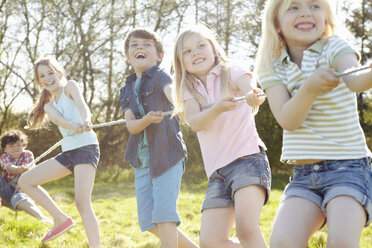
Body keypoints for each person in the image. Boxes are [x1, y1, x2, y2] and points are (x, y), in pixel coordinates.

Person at [255, 0, 372, 247]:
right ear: (276, 22)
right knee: (282, 242)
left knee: (340, 242)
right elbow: (288, 119)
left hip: (349, 170)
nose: (306, 12)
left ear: (326, 17)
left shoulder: (335, 47)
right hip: (304, 176)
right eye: (294, 7)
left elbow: (356, 80)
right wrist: (309, 88)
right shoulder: (272, 64)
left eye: (315, 6)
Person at [173, 23, 271, 248]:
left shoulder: (229, 70)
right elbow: (195, 122)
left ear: (213, 48)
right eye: (187, 51)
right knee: (211, 242)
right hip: (217, 173)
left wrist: (252, 94)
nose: (195, 52)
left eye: (200, 46)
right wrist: (217, 107)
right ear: (181, 62)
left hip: (248, 160)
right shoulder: (188, 87)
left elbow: (250, 88)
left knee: (246, 230)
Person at [119, 28, 198, 248]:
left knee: (164, 214)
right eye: (134, 45)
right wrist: (146, 120)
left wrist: (182, 105)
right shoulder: (125, 90)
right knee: (148, 221)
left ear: (159, 55)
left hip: (167, 155)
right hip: (142, 160)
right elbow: (132, 127)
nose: (139, 48)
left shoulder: (161, 76)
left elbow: (172, 93)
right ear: (128, 56)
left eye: (146, 45)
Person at [18, 56, 101, 247]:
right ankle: (60, 218)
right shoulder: (49, 106)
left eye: (50, 73)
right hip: (69, 152)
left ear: (59, 73)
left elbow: (82, 106)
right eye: (42, 76)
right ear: (39, 82)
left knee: (82, 203)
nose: (48, 78)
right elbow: (60, 120)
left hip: (86, 147)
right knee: (25, 181)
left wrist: (86, 120)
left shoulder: (70, 87)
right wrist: (73, 125)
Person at [0, 129, 51, 223]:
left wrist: (27, 169)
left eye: (19, 145)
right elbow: (10, 168)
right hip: (8, 193)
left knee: (19, 198)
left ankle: (43, 220)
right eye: (11, 146)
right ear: (4, 149)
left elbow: (33, 172)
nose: (16, 148)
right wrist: (20, 169)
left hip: (24, 191)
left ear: (24, 146)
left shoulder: (28, 154)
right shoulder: (4, 157)